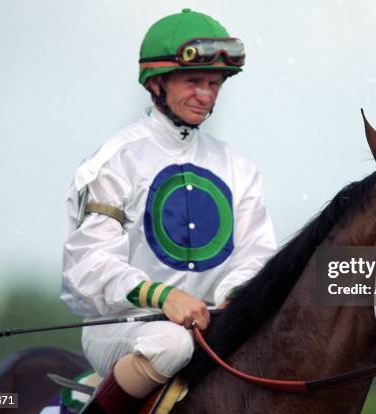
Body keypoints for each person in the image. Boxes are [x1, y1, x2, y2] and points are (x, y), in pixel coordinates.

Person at [60, 9, 276, 414]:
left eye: (215, 84)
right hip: (125, 329)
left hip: (216, 329)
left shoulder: (239, 168)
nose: (206, 95)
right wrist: (163, 297)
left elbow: (257, 253)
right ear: (156, 84)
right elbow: (86, 265)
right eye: (194, 81)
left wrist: (234, 294)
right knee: (170, 344)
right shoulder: (112, 162)